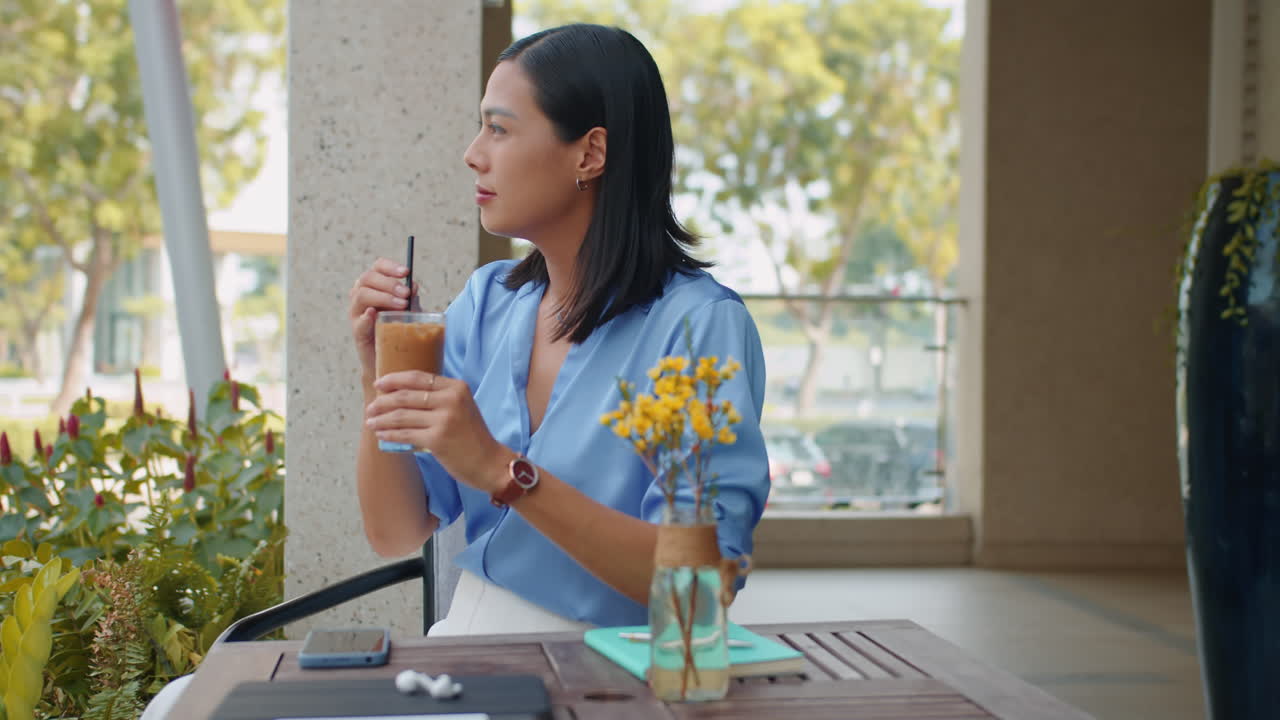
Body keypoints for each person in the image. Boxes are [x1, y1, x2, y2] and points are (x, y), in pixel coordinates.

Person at [349, 23, 770, 636]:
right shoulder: (488, 303)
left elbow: (699, 589)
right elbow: (394, 531)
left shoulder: (698, 329)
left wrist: (503, 471)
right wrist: (377, 375)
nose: (473, 152)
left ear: (589, 153)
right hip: (468, 644)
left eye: (499, 128)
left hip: (619, 670)